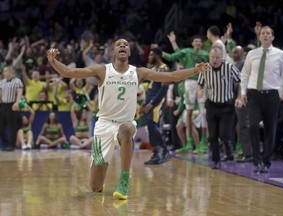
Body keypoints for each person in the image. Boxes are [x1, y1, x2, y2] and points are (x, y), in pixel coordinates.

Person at [47, 38, 208, 200]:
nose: (122, 46)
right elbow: (70, 72)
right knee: (95, 187)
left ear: (129, 52)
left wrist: (195, 70)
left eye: (125, 45)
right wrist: (53, 61)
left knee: (127, 129)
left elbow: (172, 76)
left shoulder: (139, 72)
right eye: (118, 44)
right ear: (113, 52)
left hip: (125, 124)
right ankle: (101, 173)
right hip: (104, 125)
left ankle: (124, 180)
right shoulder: (102, 70)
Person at [238, 26, 283, 173]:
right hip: (254, 93)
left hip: (272, 94)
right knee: (252, 126)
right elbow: (244, 75)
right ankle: (256, 160)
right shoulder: (252, 54)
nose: (265, 35)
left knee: (270, 129)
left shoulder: (280, 54)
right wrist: (243, 92)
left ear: (272, 37)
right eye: (263, 33)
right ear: (259, 37)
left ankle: (266, 162)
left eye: (268, 33)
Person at [163, 32, 209, 153]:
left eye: (200, 41)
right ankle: (189, 142)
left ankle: (203, 142)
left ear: (202, 44)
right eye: (196, 41)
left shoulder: (206, 54)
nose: (198, 43)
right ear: (192, 43)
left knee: (203, 112)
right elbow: (174, 56)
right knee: (188, 112)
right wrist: (162, 51)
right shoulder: (188, 52)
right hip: (190, 83)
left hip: (203, 82)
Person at [198, 46, 240, 169]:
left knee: (224, 134)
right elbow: (200, 84)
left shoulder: (229, 67)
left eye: (217, 57)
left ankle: (228, 147)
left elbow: (241, 81)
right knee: (212, 136)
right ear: (209, 57)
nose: (215, 60)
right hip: (211, 105)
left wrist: (239, 96)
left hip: (227, 106)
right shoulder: (205, 68)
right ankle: (216, 161)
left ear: (222, 58)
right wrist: (199, 91)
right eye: (212, 57)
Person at [141, 47, 170, 165]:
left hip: (158, 103)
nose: (148, 58)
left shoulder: (164, 69)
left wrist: (152, 104)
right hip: (149, 101)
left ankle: (165, 150)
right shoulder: (152, 69)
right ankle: (155, 154)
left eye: (151, 55)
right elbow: (151, 88)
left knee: (153, 126)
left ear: (158, 56)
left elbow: (164, 89)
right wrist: (145, 102)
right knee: (150, 127)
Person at [232, 46, 252, 162]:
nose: (234, 54)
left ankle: (248, 153)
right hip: (240, 97)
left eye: (237, 52)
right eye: (233, 52)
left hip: (244, 98)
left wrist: (240, 96)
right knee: (241, 125)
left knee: (244, 125)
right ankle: (245, 151)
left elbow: (242, 81)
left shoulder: (243, 62)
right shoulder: (238, 63)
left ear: (243, 53)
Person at [0, 66, 23, 151]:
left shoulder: (17, 81)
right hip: (3, 105)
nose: (4, 73)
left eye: (5, 71)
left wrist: (17, 102)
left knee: (12, 126)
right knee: (1, 127)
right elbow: (1, 94)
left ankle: (12, 145)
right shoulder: (2, 82)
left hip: (12, 105)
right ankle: (6, 143)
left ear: (10, 72)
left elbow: (19, 93)